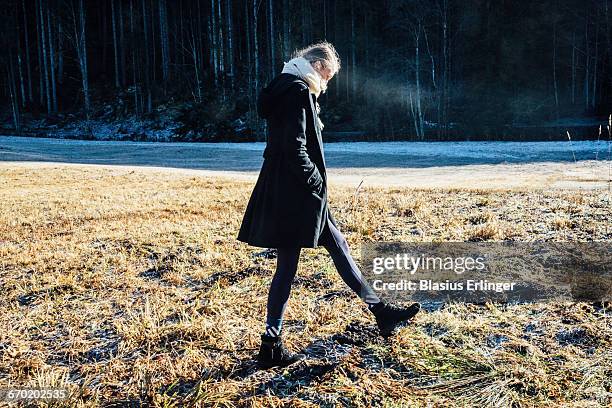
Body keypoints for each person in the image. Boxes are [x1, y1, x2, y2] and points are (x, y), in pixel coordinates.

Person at [237, 41, 420, 369]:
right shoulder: (297, 90)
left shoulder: (282, 85)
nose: (328, 83)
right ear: (317, 66)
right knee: (289, 265)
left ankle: (381, 313)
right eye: (329, 75)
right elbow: (294, 146)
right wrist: (315, 182)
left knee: (338, 245)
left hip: (288, 188)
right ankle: (271, 344)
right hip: (298, 192)